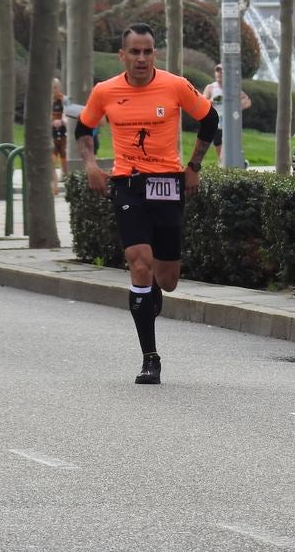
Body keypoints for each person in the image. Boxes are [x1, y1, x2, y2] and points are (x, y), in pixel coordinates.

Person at [76, 23, 218, 385]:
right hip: (127, 183)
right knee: (139, 263)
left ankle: (152, 289)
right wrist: (91, 165)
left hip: (167, 182)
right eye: (134, 52)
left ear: (155, 53)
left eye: (148, 51)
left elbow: (209, 119)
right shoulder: (105, 91)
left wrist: (194, 167)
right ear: (121, 55)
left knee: (166, 280)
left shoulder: (174, 85)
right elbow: (84, 127)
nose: (141, 58)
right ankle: (149, 358)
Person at [202, 63, 251, 161]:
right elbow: (202, 103)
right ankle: (226, 165)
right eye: (217, 71)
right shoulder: (211, 88)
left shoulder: (232, 88)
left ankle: (234, 163)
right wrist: (213, 100)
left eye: (222, 72)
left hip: (230, 124)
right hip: (216, 124)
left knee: (230, 148)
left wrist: (237, 106)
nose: (219, 74)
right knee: (220, 152)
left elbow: (247, 101)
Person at [51, 78, 67, 194]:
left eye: (56, 87)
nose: (54, 90)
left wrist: (62, 121)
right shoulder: (48, 100)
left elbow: (67, 114)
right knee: (52, 159)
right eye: (53, 87)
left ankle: (65, 177)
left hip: (63, 133)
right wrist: (52, 121)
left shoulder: (64, 99)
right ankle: (54, 185)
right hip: (51, 133)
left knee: (64, 156)